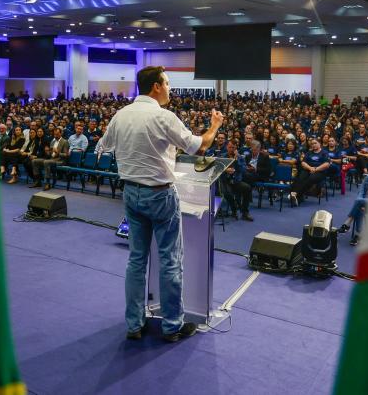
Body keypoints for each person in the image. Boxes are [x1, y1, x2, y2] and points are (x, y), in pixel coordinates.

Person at [95, 66, 223, 343]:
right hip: (160, 196)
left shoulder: (120, 115)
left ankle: (134, 324)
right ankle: (172, 326)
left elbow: (103, 145)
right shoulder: (164, 117)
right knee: (170, 260)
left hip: (131, 193)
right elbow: (200, 147)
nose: (169, 88)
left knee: (136, 260)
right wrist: (214, 125)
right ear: (155, 86)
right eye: (166, 83)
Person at [288, 138, 331, 206]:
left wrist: (316, 169)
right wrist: (310, 168)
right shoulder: (309, 152)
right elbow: (303, 162)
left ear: (319, 143)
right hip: (309, 169)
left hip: (320, 172)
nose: (313, 145)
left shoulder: (324, 152)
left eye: (315, 143)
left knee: (311, 178)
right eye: (312, 144)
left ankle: (295, 194)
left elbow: (327, 164)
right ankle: (297, 197)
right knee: (301, 176)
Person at [339, 171, 368, 246]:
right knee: (360, 208)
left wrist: (362, 202)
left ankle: (347, 223)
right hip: (363, 203)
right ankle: (358, 235)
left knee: (359, 203)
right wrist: (362, 202)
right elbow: (361, 192)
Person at [221, 140, 253, 221]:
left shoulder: (240, 158)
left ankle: (245, 212)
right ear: (227, 147)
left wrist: (236, 160)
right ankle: (234, 209)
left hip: (236, 181)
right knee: (227, 193)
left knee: (247, 188)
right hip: (225, 181)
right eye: (230, 147)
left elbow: (243, 170)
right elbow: (218, 168)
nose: (231, 149)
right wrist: (226, 170)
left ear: (236, 148)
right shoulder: (222, 156)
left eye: (233, 148)